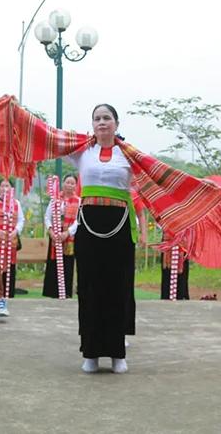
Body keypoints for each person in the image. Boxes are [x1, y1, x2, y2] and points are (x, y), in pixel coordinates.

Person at [61, 104, 139, 374]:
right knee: (90, 288)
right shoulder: (82, 152)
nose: (102, 122)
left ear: (117, 124)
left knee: (118, 288)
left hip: (119, 228)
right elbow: (50, 141)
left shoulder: (130, 156)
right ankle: (90, 352)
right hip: (89, 228)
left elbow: (161, 179)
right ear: (91, 125)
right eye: (97, 119)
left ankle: (118, 354)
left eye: (107, 118)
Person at [0, 178, 24, 317]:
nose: (4, 188)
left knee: (9, 270)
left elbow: (21, 220)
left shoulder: (16, 204)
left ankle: (8, 297)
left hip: (10, 243)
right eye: (2, 186)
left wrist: (15, 231)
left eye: (7, 186)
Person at [43, 173, 79, 299]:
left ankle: (67, 292)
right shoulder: (55, 199)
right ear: (63, 184)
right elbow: (48, 217)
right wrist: (51, 231)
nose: (69, 185)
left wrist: (67, 232)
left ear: (76, 185)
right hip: (55, 237)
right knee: (54, 264)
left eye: (72, 183)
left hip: (69, 238)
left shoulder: (78, 201)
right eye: (67, 182)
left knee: (68, 264)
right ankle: (52, 292)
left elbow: (78, 221)